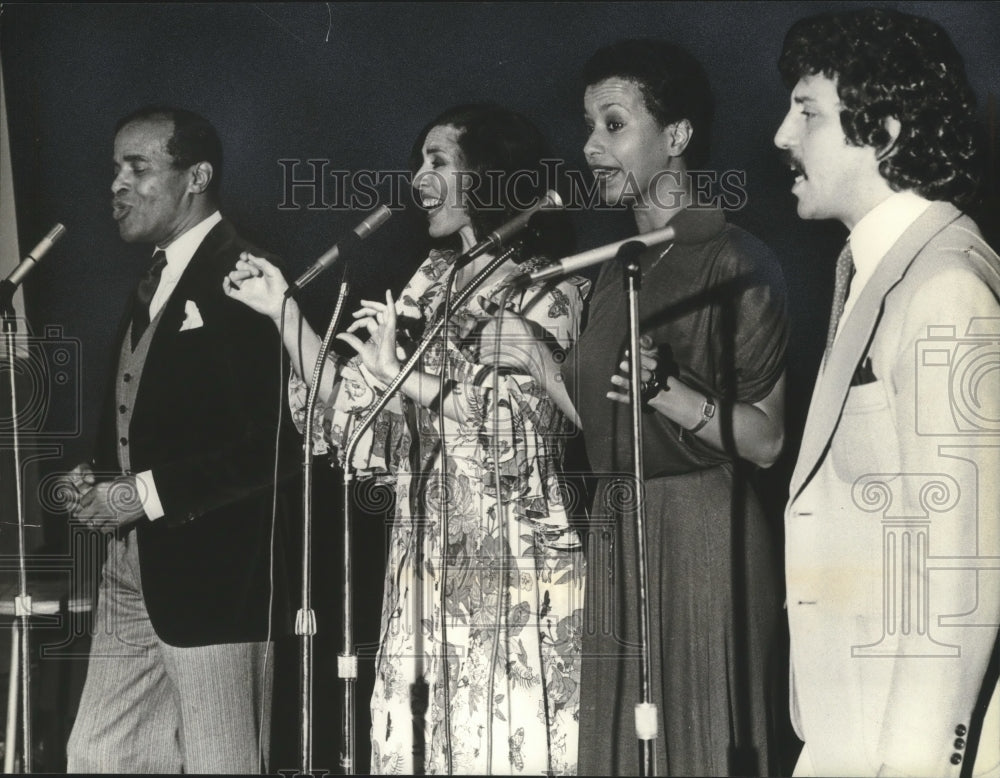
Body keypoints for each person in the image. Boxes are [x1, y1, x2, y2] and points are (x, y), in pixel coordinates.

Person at [224, 104, 588, 775]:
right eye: (420, 160)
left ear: (489, 172)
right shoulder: (430, 281)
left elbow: (517, 430)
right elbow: (358, 411)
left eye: (438, 161)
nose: (419, 177)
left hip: (515, 557)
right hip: (426, 557)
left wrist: (408, 381)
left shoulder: (550, 286)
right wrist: (283, 312)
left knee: (508, 739)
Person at [775, 8, 1000, 777]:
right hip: (848, 732)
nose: (782, 136)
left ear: (887, 131)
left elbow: (959, 579)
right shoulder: (873, 276)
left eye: (807, 113)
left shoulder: (946, 292)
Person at [553, 39, 788, 776]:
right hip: (620, 528)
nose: (591, 146)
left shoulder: (736, 258)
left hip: (701, 534)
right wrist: (536, 359)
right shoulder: (614, 266)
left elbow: (766, 440)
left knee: (697, 748)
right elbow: (604, 422)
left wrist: (670, 392)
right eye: (589, 127)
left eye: (613, 124)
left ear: (678, 136)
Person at [63, 105, 299, 773]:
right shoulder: (155, 278)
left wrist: (142, 493)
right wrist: (101, 474)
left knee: (221, 760)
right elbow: (158, 411)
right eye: (114, 169)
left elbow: (278, 444)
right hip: (133, 569)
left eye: (138, 168)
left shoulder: (250, 274)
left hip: (218, 580)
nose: (117, 184)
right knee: (100, 756)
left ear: (197, 176)